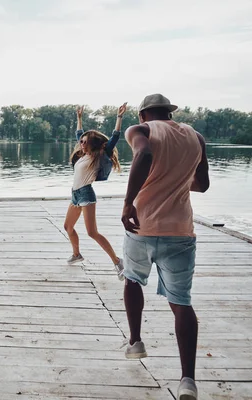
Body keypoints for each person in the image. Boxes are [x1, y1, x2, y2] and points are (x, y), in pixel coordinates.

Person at [121, 94, 209, 400]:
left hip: (142, 225)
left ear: (143, 114)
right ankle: (188, 380)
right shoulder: (195, 136)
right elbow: (202, 183)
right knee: (181, 301)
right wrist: (175, 179)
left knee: (132, 279)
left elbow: (143, 156)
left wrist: (128, 202)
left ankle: (135, 341)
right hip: (181, 230)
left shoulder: (140, 131)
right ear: (170, 113)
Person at [64, 103, 127, 279]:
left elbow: (114, 138)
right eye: (81, 141)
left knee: (92, 232)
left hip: (86, 195)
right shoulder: (83, 155)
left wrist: (119, 117)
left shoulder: (98, 156)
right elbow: (79, 134)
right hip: (75, 195)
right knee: (68, 226)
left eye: (85, 142)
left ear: (92, 144)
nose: (82, 143)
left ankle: (118, 262)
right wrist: (79, 118)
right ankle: (77, 254)